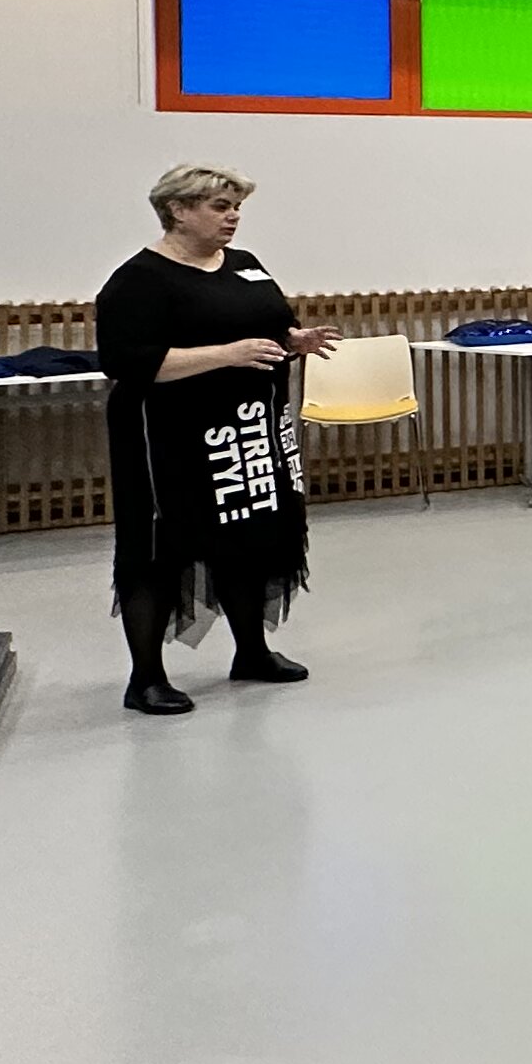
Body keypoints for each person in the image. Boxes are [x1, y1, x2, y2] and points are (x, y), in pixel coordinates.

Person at [96, 165, 336, 714]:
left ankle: (252, 652)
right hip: (169, 440)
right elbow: (127, 362)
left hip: (248, 432)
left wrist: (294, 340)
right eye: (220, 207)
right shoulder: (139, 280)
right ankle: (146, 678)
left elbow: (270, 326)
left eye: (236, 207)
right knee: (159, 551)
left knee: (251, 537)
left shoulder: (245, 264)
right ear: (178, 210)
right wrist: (227, 355)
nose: (233, 217)